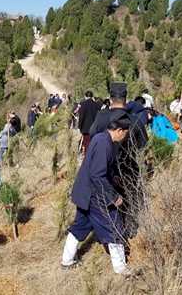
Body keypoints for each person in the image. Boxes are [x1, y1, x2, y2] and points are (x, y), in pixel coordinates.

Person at [61, 111, 132, 275]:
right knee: (114, 225)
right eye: (126, 133)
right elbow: (97, 175)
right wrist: (113, 197)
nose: (125, 137)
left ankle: (67, 260)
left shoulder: (101, 138)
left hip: (86, 191)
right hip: (94, 195)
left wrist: (115, 179)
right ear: (119, 130)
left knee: (80, 225)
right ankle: (121, 269)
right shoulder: (103, 144)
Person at [89, 82, 148, 238]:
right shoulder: (135, 119)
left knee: (108, 200)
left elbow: (92, 134)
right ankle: (130, 232)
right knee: (129, 199)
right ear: (125, 98)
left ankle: (112, 233)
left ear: (110, 97)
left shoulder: (102, 117)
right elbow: (143, 145)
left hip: (106, 168)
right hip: (129, 168)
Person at [78, 91, 100, 155]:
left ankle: (87, 157)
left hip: (85, 127)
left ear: (85, 96)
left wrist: (80, 126)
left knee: (86, 143)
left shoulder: (83, 104)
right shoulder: (96, 104)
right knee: (93, 142)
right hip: (94, 127)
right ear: (92, 96)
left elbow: (81, 116)